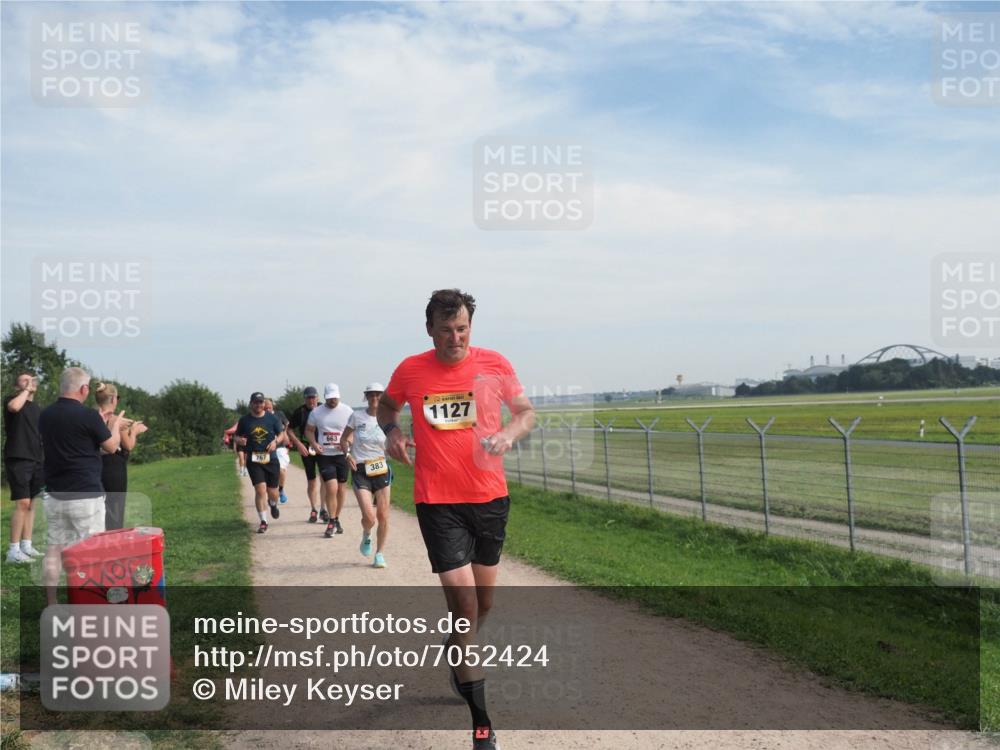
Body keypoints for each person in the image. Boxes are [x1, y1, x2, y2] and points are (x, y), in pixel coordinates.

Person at [379, 289, 535, 750]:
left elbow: (527, 413)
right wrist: (392, 431)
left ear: (471, 327)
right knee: (465, 608)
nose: (456, 338)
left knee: (483, 606)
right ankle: (482, 726)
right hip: (438, 502)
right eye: (446, 330)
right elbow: (387, 406)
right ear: (429, 330)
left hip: (489, 499)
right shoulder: (410, 369)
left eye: (463, 328)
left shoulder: (495, 363)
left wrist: (509, 433)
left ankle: (458, 651)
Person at [38, 368, 124, 598]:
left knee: (54, 550)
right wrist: (115, 425)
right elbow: (112, 447)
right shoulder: (88, 415)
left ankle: (52, 602)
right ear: (84, 389)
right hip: (85, 494)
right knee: (93, 551)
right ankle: (92, 600)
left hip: (55, 494)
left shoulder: (45, 415)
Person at [340, 382, 391, 569]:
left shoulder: (388, 418)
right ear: (366, 397)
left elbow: (394, 440)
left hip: (381, 468)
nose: (375, 398)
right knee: (370, 516)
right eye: (371, 395)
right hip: (361, 469)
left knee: (383, 515)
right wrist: (347, 455)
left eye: (378, 394)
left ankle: (379, 554)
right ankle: (367, 533)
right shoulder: (357, 416)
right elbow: (343, 439)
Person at [94, 382, 149, 530]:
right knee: (115, 510)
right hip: (114, 469)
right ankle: (113, 540)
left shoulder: (92, 417)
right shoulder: (117, 420)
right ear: (113, 399)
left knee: (98, 510)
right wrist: (135, 431)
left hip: (96, 467)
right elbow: (128, 445)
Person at [4, 373, 45, 563]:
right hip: (18, 458)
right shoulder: (11, 401)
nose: (29, 382)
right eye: (24, 380)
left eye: (31, 379)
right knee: (22, 503)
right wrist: (27, 390)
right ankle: (13, 551)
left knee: (32, 503)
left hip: (36, 459)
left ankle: (26, 545)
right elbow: (14, 407)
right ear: (16, 386)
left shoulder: (36, 408)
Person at [304, 383, 352, 538]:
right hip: (325, 456)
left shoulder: (347, 411)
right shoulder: (316, 412)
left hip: (342, 455)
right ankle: (331, 520)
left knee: (341, 489)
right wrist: (314, 444)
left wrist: (348, 443)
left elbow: (353, 431)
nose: (333, 401)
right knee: (332, 488)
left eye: (335, 398)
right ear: (325, 397)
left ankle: (336, 517)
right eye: (330, 398)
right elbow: (309, 431)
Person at [234, 392, 285, 533]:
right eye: (256, 402)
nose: (259, 405)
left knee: (272, 491)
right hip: (253, 459)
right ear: (251, 403)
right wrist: (240, 440)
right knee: (260, 489)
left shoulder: (272, 418)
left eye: (261, 402)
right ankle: (263, 521)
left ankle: (273, 504)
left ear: (264, 403)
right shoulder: (244, 420)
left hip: (271, 459)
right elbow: (236, 437)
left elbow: (281, 434)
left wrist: (275, 442)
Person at [287, 386, 322, 522]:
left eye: (313, 397)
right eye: (308, 397)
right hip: (306, 448)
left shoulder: (323, 408)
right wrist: (298, 444)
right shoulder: (300, 412)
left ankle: (324, 509)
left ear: (317, 398)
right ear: (305, 398)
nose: (311, 400)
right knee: (312, 480)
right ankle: (314, 509)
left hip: (323, 447)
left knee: (326, 479)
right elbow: (289, 429)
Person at [263, 398, 291, 504]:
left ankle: (281, 490)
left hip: (280, 447)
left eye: (269, 407)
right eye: (265, 408)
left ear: (272, 406)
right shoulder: (260, 417)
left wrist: (285, 434)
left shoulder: (279, 414)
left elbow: (287, 423)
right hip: (265, 449)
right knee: (266, 474)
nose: (268, 410)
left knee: (281, 470)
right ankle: (271, 494)